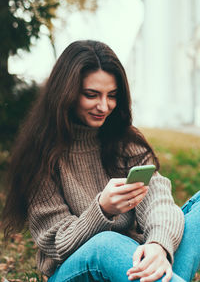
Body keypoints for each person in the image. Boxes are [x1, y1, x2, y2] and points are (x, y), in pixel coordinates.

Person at [1, 40, 200, 282]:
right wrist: (102, 209)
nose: (104, 106)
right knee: (105, 243)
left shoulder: (125, 141)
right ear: (66, 94)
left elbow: (158, 201)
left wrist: (158, 245)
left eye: (112, 96)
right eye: (91, 95)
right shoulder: (41, 155)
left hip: (132, 263)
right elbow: (57, 244)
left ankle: (159, 273)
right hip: (76, 269)